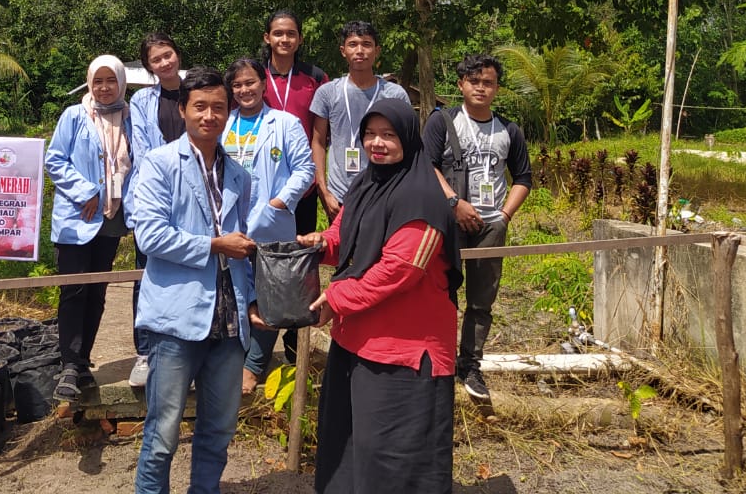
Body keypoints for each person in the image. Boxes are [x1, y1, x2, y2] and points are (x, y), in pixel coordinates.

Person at [300, 100, 461, 494]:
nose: (377, 143)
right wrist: (321, 244)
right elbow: (345, 233)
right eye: (370, 134)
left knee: (394, 457)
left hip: (405, 352)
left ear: (408, 138)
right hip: (356, 341)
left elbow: (400, 271)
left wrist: (337, 298)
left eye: (388, 135)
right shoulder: (366, 182)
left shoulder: (424, 198)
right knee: (351, 445)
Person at [133, 67, 264, 494]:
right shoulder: (159, 164)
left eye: (219, 107)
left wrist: (251, 300)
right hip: (176, 320)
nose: (210, 116)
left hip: (229, 323)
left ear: (229, 112)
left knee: (218, 432)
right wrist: (214, 245)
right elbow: (150, 236)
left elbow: (243, 246)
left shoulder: (239, 175)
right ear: (183, 110)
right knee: (162, 434)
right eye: (200, 107)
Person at [421, 53, 532, 401]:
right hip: (449, 222)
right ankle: (438, 360)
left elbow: (523, 177)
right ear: (461, 85)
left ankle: (470, 364)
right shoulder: (443, 121)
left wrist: (505, 216)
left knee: (482, 301)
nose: (481, 88)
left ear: (497, 88)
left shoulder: (509, 130)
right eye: (474, 81)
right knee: (443, 294)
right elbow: (426, 166)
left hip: (490, 226)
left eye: (488, 82)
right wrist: (455, 203)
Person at [44, 54, 134, 402]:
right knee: (74, 289)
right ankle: (68, 363)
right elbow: (55, 159)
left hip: (112, 217)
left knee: (97, 291)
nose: (105, 88)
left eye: (111, 81)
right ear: (89, 82)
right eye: (98, 81)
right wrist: (87, 192)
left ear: (121, 82)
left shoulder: (130, 117)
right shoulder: (75, 115)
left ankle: (82, 361)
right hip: (78, 216)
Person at [223, 58, 315, 394]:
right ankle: (232, 359)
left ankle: (253, 365)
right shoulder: (224, 123)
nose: (244, 90)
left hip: (271, 222)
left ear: (263, 84)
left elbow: (305, 170)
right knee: (235, 291)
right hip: (231, 222)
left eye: (250, 82)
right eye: (237, 85)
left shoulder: (285, 123)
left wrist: (278, 203)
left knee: (270, 294)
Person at [127, 32, 185, 387]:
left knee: (188, 275)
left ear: (178, 54)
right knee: (146, 275)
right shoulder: (141, 101)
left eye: (168, 54)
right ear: (149, 67)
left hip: (195, 197)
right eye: (156, 59)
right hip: (154, 197)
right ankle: (145, 352)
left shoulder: (197, 89)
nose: (165, 62)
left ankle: (183, 352)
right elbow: (143, 151)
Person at [309, 21, 410, 220]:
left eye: (366, 44)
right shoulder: (328, 92)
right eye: (353, 44)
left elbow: (407, 144)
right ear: (343, 51)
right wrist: (323, 191)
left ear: (377, 50)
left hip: (384, 192)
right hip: (339, 195)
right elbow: (318, 142)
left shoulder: (394, 94)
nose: (360, 51)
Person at [261, 10, 329, 238]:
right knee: (260, 248)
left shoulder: (316, 77)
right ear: (267, 38)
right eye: (278, 33)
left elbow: (320, 136)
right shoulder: (253, 78)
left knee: (302, 247)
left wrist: (319, 182)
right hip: (264, 180)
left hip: (304, 181)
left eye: (291, 34)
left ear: (300, 39)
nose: (285, 39)